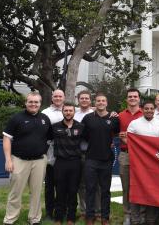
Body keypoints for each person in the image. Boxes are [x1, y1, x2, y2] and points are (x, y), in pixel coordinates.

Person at [3, 92, 53, 225]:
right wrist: (8, 159)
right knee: (15, 191)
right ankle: (10, 219)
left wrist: (44, 154)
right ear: (26, 102)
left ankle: (35, 219)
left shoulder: (45, 119)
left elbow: (49, 139)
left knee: (36, 192)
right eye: (30, 101)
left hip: (39, 161)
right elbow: (7, 138)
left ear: (40, 104)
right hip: (19, 160)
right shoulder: (16, 118)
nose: (33, 104)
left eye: (36, 102)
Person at [123, 101, 159, 225]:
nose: (149, 111)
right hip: (137, 163)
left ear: (155, 110)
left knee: (152, 190)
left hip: (154, 163)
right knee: (136, 189)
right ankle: (135, 219)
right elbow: (129, 140)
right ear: (142, 109)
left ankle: (151, 219)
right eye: (146, 108)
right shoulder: (134, 123)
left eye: (151, 108)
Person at [81, 93, 119, 225]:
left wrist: (111, 142)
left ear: (107, 103)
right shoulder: (87, 118)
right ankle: (90, 216)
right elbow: (84, 136)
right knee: (90, 189)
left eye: (103, 101)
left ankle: (105, 217)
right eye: (98, 101)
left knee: (105, 190)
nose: (101, 103)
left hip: (106, 159)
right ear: (95, 103)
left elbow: (118, 134)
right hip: (91, 158)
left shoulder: (114, 118)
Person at [52, 102, 85, 225]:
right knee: (60, 190)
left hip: (75, 162)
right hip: (60, 162)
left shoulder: (81, 126)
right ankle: (58, 217)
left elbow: (89, 140)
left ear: (74, 112)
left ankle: (71, 217)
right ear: (62, 112)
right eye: (66, 110)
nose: (68, 112)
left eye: (70, 110)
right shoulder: (55, 127)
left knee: (73, 190)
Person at [118, 88, 143, 225]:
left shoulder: (145, 114)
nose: (132, 98)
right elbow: (113, 132)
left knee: (142, 185)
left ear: (139, 99)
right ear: (127, 99)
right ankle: (127, 214)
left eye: (135, 96)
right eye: (130, 96)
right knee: (126, 186)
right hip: (126, 154)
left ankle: (141, 214)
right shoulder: (120, 116)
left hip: (142, 157)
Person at [74, 90, 100, 220]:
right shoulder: (73, 114)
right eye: (82, 98)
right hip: (78, 153)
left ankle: (97, 211)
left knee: (96, 184)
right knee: (82, 184)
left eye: (86, 98)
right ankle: (84, 210)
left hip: (94, 153)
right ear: (78, 100)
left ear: (90, 100)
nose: (84, 100)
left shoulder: (97, 113)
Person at [41, 89, 65, 220]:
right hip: (50, 154)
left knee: (63, 186)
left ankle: (61, 211)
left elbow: (88, 109)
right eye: (55, 96)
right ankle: (49, 213)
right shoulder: (45, 113)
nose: (58, 98)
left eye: (60, 96)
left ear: (64, 98)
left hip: (66, 155)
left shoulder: (70, 110)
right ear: (52, 97)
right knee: (49, 186)